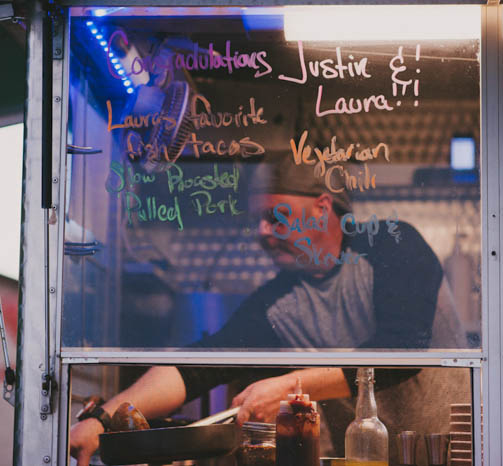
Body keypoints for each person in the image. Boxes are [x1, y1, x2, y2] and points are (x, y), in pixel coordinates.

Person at [70, 156, 467, 466]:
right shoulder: (279, 305)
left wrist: (288, 385)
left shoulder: (393, 248)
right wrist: (102, 420)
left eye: (275, 216)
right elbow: (198, 367)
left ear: (321, 207)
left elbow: (401, 354)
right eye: (257, 219)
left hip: (461, 450)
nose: (261, 231)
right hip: (369, 459)